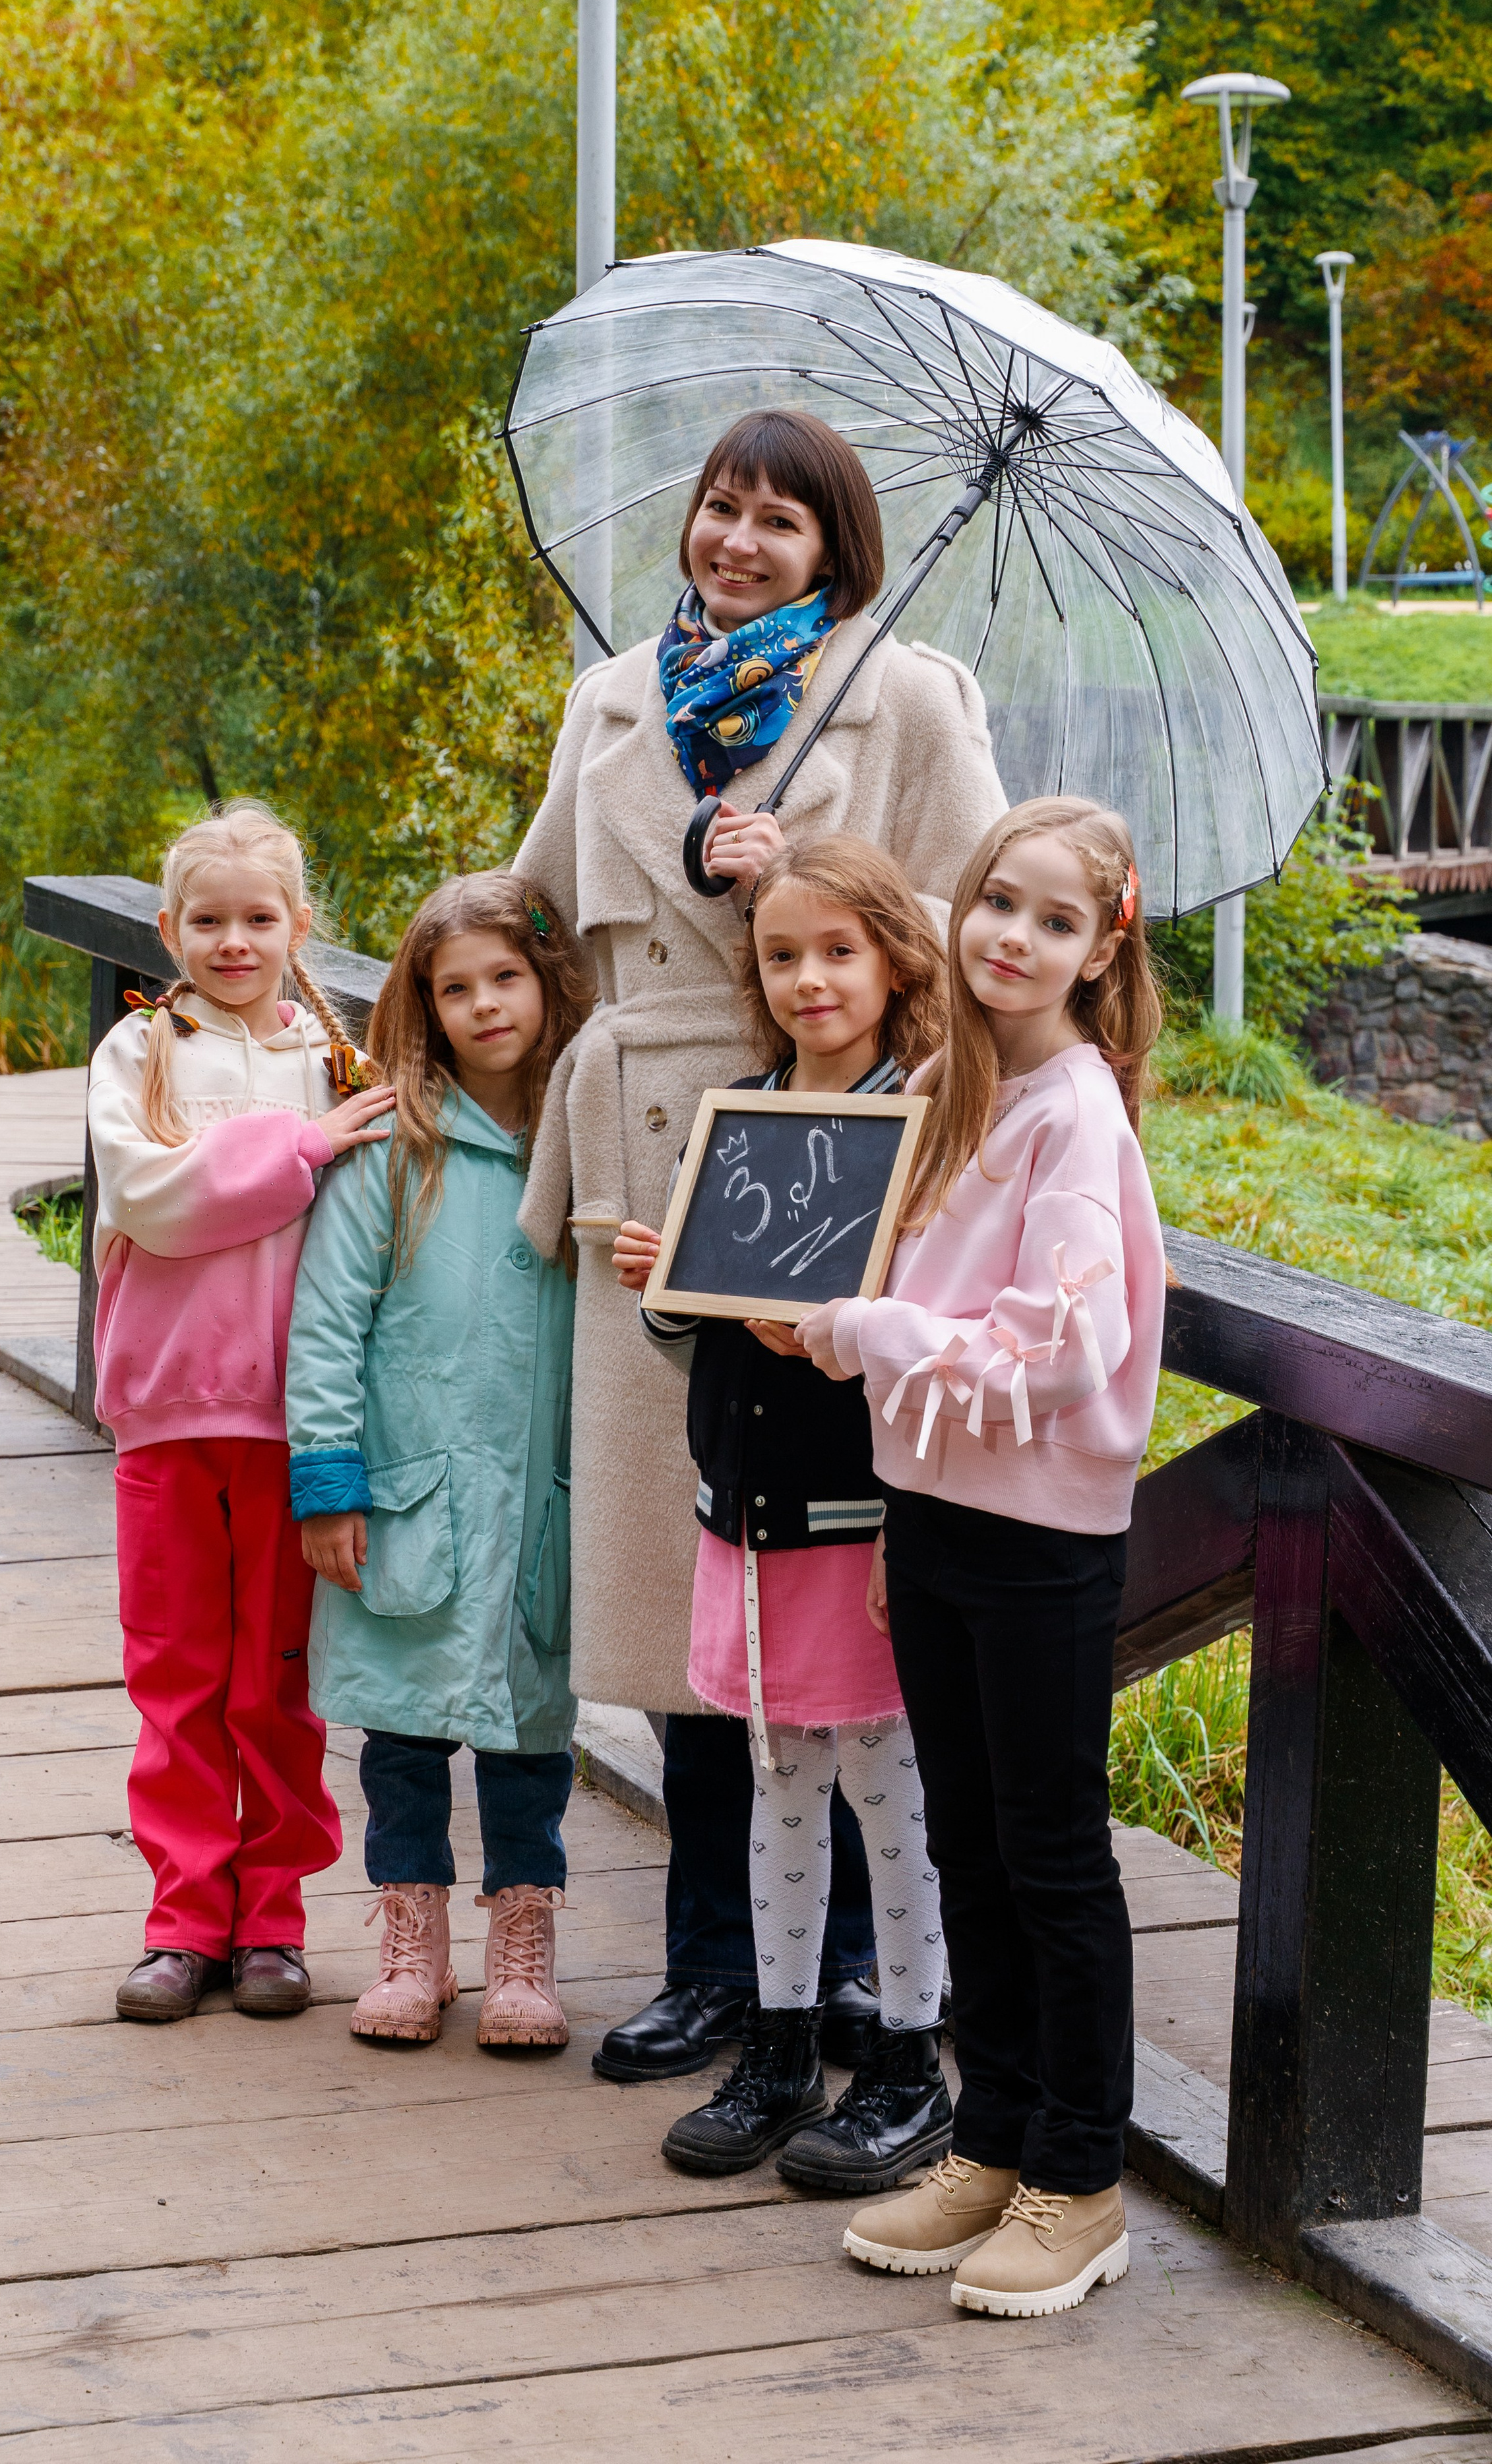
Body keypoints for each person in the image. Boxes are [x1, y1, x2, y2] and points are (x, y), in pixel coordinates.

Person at [514, 407, 1009, 2082]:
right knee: (687, 1608)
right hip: (641, 1165)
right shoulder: (612, 694)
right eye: (719, 510)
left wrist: (807, 876)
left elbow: (990, 936)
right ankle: (716, 1974)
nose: (736, 542)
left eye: (777, 523)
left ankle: (865, 1984)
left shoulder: (907, 695)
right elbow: (528, 925)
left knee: (821, 1595)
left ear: (834, 547)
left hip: (825, 1161)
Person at [794, 796, 1166, 2318]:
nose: (1011, 936)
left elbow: (1073, 1349)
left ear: (1098, 948)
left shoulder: (1075, 1114)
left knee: (1049, 1856)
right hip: (940, 1517)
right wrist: (897, 1508)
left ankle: (1080, 2180)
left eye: (1052, 920)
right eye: (994, 903)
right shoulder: (952, 1084)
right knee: (961, 1841)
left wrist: (865, 1335)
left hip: (1040, 1536)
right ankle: (994, 2132)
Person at [613, 838, 954, 2190]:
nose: (807, 978)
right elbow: (692, 1334)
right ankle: (778, 2046)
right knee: (775, 1788)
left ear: (890, 963)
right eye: (780, 956)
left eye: (835, 951)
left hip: (851, 1518)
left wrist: (821, 1333)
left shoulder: (914, 1127)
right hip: (738, 1515)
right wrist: (666, 1284)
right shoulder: (741, 1108)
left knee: (887, 1795)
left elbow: (917, 1329)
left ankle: (908, 2060)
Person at [92, 797, 398, 2025]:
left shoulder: (337, 1062)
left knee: (277, 1680)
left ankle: (271, 1914)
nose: (233, 941)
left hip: (290, 1419)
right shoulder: (139, 1054)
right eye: (207, 920)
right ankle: (182, 1920)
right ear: (169, 928)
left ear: (298, 925)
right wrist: (299, 1148)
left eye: (258, 918)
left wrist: (320, 1132)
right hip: (168, 1411)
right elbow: (152, 1199)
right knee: (174, 1675)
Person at [285, 874, 594, 2051]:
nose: (483, 1005)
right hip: (416, 1492)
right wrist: (330, 1483)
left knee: (530, 1738)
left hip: (538, 1503)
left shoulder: (586, 1139)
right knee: (404, 1740)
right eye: (454, 987)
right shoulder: (396, 1148)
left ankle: (524, 1939)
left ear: (548, 982)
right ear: (425, 1004)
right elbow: (325, 1323)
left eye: (505, 977)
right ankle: (412, 1937)